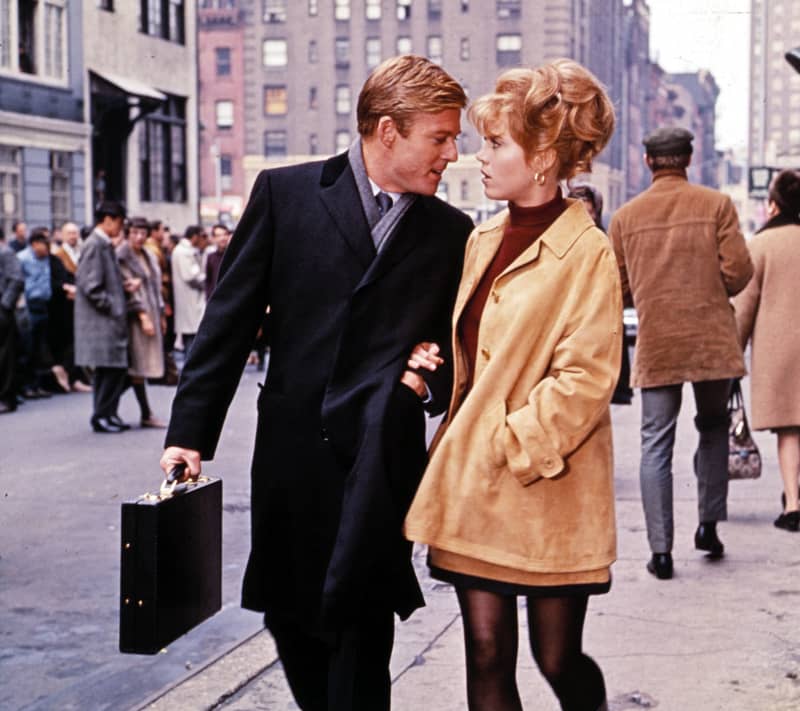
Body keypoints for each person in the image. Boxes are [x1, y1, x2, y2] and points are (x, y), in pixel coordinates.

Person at [159, 55, 472, 711]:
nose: (452, 151)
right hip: (293, 455)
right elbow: (228, 320)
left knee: (361, 634)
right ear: (388, 131)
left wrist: (417, 383)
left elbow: (451, 347)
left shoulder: (451, 232)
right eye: (439, 136)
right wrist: (189, 434)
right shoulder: (286, 193)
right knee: (291, 618)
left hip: (379, 463)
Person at [404, 59, 620, 711]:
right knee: (487, 653)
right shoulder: (482, 238)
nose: (479, 157)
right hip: (476, 490)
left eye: (497, 143)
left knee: (557, 659)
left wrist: (507, 440)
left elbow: (586, 377)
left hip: (550, 486)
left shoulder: (589, 253)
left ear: (544, 155)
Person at [608, 127, 753, 580]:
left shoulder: (626, 217)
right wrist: (710, 292)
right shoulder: (716, 206)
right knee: (712, 428)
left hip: (659, 342)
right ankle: (708, 525)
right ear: (688, 159)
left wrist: (652, 299)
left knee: (656, 442)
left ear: (649, 162)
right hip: (711, 338)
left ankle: (661, 550)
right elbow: (739, 271)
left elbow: (619, 286)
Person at [733, 169, 800, 532]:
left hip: (781, 353)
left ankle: (793, 503)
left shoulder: (761, 245)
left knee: (790, 428)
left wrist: (734, 352)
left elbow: (745, 306)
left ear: (774, 205)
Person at [568, 182, 633, 406]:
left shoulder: (604, 244)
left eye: (588, 212)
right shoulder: (556, 244)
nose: (582, 218)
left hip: (598, 331)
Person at [74, 201, 131, 433]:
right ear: (107, 219)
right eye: (119, 222)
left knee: (113, 370)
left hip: (105, 319)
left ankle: (109, 413)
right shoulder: (96, 244)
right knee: (109, 371)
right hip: (101, 321)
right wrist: (113, 305)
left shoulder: (101, 244)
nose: (120, 227)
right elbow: (91, 285)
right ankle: (101, 415)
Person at [117, 217, 167, 427]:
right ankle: (144, 413)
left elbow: (155, 286)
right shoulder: (122, 255)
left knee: (142, 366)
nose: (138, 237)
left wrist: (162, 314)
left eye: (142, 233)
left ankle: (107, 406)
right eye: (134, 233)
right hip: (136, 317)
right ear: (128, 233)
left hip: (152, 311)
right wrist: (143, 316)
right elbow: (129, 291)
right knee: (138, 365)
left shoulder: (148, 254)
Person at [17, 229, 54, 399]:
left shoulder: (46, 258)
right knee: (28, 347)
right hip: (29, 305)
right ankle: (25, 385)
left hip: (43, 304)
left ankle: (37, 385)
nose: (47, 248)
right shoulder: (22, 258)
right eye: (44, 244)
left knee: (40, 347)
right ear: (34, 244)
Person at [170, 225, 208, 356]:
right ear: (195, 236)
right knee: (191, 338)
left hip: (190, 300)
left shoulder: (185, 250)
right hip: (189, 300)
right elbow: (190, 276)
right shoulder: (184, 252)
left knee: (191, 335)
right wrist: (205, 283)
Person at [0, 227, 25, 413]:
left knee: (5, 356)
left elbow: (17, 279)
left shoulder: (6, 253)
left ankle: (7, 397)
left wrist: (5, 305)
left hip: (2, 310)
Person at [205, 223, 231, 299]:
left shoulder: (236, 255)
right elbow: (209, 281)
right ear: (213, 238)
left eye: (225, 234)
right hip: (217, 300)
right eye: (219, 236)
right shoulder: (211, 257)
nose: (223, 238)